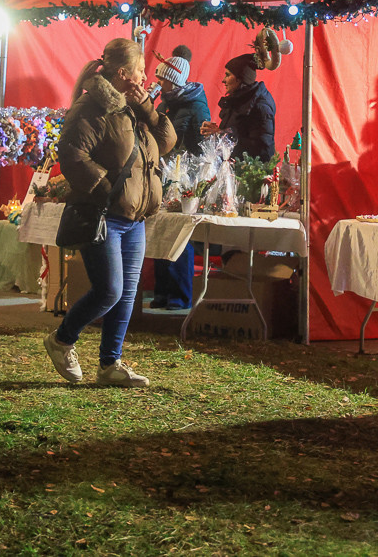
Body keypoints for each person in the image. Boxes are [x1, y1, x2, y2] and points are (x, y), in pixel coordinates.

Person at [44, 37, 176, 387]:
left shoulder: (134, 107)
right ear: (123, 74)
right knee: (110, 291)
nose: (145, 77)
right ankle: (61, 340)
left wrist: (148, 109)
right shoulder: (91, 108)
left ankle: (110, 365)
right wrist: (105, 189)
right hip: (104, 215)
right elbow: (72, 154)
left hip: (134, 218)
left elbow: (166, 142)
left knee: (127, 293)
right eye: (140, 70)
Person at [151, 47, 210, 310]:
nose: (157, 82)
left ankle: (180, 294)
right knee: (160, 229)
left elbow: (203, 144)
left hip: (185, 177)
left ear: (172, 80)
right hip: (163, 173)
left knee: (179, 234)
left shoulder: (196, 106)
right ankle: (162, 291)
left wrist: (190, 173)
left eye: (162, 78)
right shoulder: (165, 104)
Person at [201, 53, 276, 161]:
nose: (223, 80)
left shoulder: (260, 107)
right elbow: (236, 133)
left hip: (251, 171)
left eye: (228, 75)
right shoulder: (239, 100)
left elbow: (261, 151)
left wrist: (221, 134)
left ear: (240, 79)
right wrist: (216, 133)